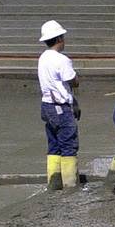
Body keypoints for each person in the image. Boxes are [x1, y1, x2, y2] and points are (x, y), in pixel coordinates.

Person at [38, 19, 80, 191]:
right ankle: (70, 185)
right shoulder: (62, 60)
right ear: (59, 39)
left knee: (54, 144)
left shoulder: (43, 57)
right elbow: (73, 81)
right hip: (60, 108)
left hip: (46, 106)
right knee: (69, 145)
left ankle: (53, 183)